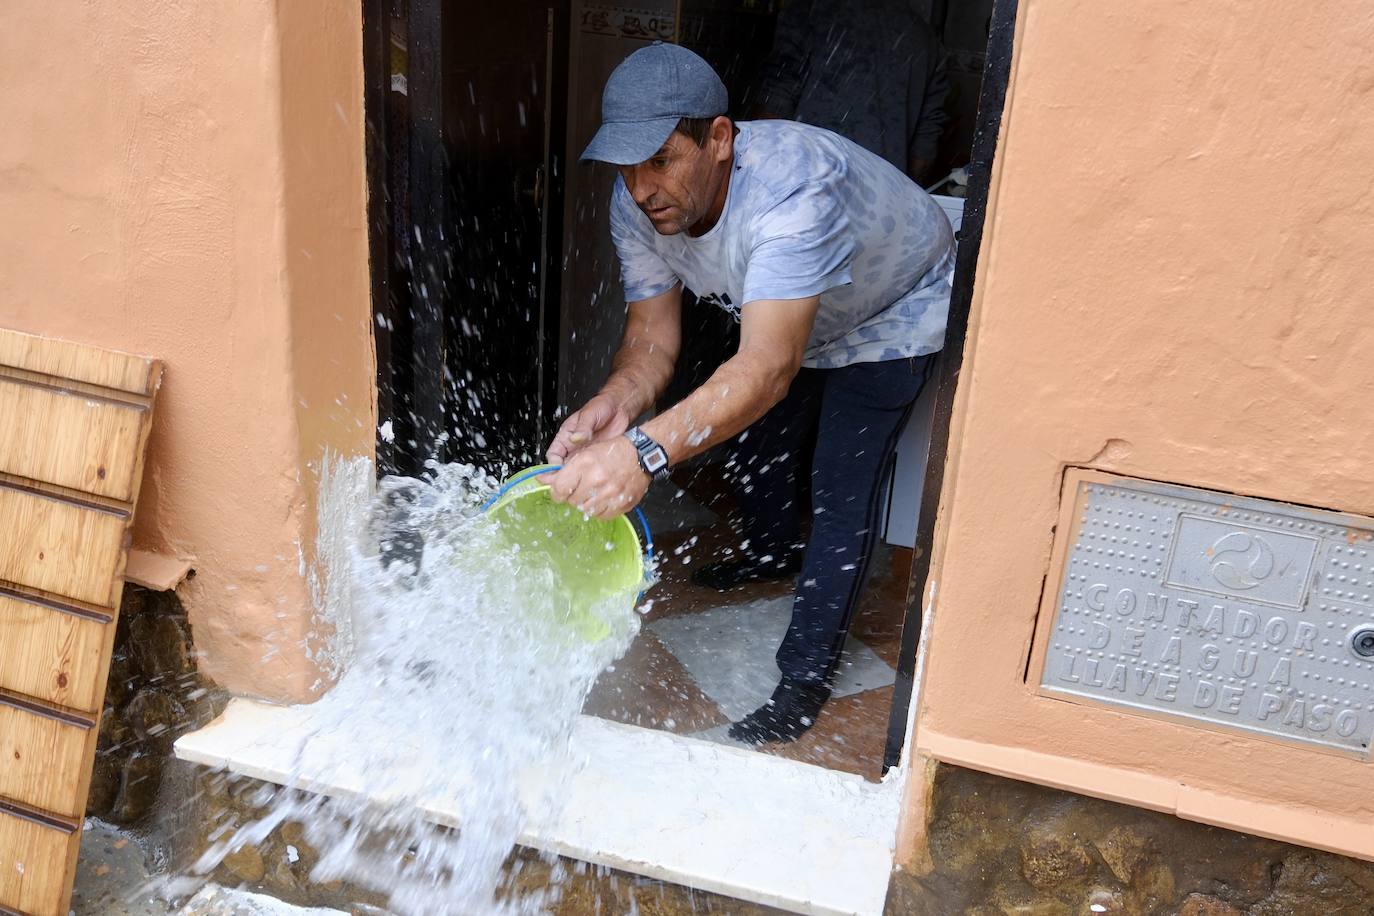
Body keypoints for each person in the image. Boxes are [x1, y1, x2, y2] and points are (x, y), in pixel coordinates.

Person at [543, 42, 953, 744]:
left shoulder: (795, 192)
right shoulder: (634, 202)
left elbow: (765, 368)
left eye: (662, 160)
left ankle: (803, 679)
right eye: (627, 165)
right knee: (756, 436)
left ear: (721, 139)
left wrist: (641, 454)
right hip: (797, 314)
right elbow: (651, 339)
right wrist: (619, 400)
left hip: (896, 305)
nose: (642, 187)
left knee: (839, 486)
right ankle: (769, 551)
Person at [754, 0, 950, 183]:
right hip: (879, 197)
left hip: (806, 188)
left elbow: (772, 111)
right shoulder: (924, 37)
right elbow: (921, 159)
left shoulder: (809, 12)